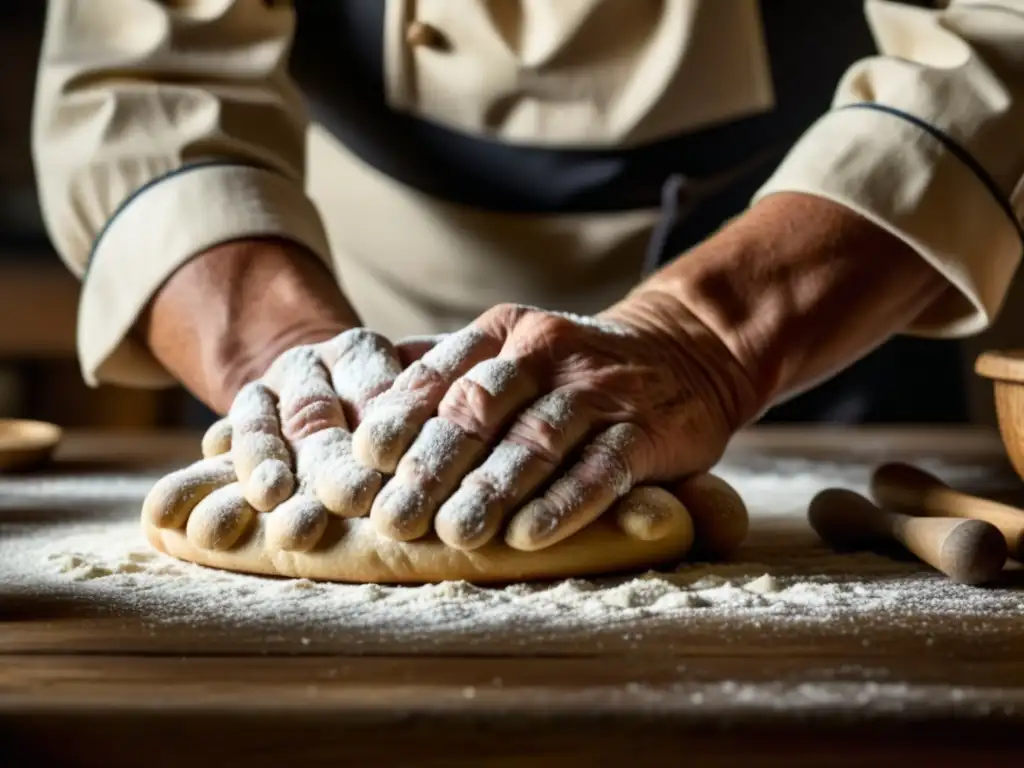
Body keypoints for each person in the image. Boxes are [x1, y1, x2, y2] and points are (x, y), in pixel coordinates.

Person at [31, 0, 1023, 551]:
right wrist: (289, 356)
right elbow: (144, 77)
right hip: (364, 303)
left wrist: (705, 340)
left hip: (817, 304)